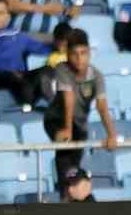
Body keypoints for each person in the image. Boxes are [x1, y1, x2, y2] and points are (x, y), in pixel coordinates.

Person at [44, 28, 116, 192]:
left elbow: (102, 106)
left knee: (74, 164)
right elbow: (68, 99)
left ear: (89, 53)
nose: (79, 58)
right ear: (68, 54)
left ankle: (74, 193)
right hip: (57, 119)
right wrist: (67, 129)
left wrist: (112, 135)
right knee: (64, 151)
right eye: (74, 53)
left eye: (83, 53)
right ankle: (65, 193)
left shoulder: (96, 75)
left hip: (80, 124)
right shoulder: (62, 69)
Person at [0, 0, 51, 101]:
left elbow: (43, 49)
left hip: (22, 77)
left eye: (1, 13)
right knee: (12, 77)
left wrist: (60, 45)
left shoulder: (18, 35)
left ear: (8, 16)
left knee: (49, 70)